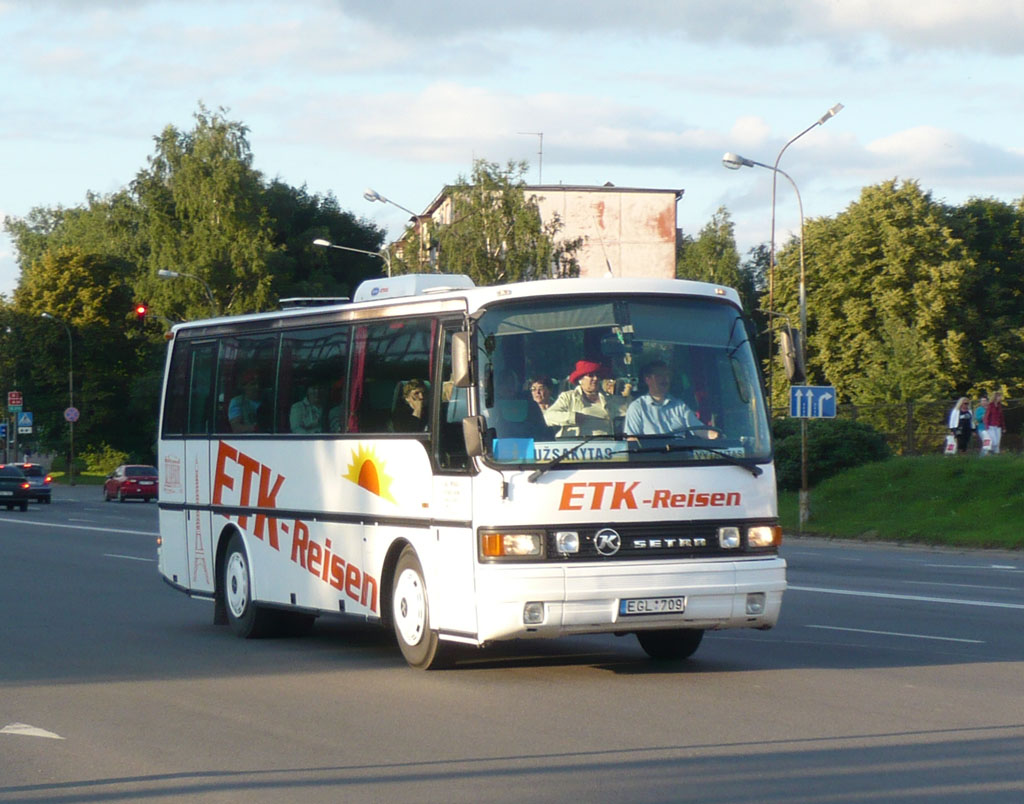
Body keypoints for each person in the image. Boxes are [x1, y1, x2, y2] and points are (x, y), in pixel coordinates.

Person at [543, 359, 627, 438]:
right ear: (580, 380)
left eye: (597, 375)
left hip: (605, 447)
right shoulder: (568, 397)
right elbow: (548, 417)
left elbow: (627, 411)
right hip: (577, 448)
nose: (595, 378)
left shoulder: (609, 399)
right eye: (591, 375)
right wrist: (573, 417)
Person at [625, 360, 699, 436]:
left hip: (679, 447)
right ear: (647, 379)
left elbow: (700, 430)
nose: (665, 379)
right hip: (650, 448)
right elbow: (632, 439)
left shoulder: (680, 405)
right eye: (659, 375)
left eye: (667, 375)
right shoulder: (637, 407)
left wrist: (712, 437)